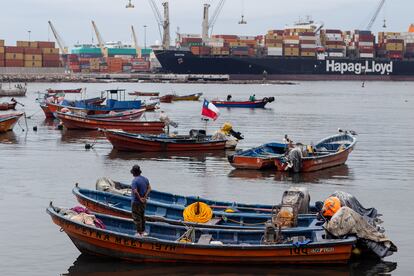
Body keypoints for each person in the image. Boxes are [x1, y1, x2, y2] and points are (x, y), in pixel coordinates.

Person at [130, 165, 151, 237]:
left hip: (136, 202)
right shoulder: (145, 179)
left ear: (134, 173)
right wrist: (144, 197)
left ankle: (139, 233)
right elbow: (149, 188)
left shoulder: (134, 181)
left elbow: (135, 191)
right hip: (144, 202)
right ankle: (143, 231)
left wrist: (140, 199)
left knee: (136, 217)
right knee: (142, 216)